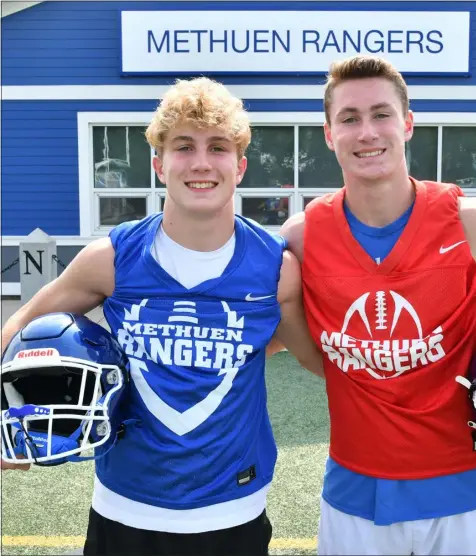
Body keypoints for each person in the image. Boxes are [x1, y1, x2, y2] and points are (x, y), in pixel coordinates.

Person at [1, 77, 323, 556]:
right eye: (182, 146)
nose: (200, 162)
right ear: (159, 163)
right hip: (125, 506)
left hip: (233, 508)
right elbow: (20, 326)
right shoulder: (111, 257)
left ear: (239, 165)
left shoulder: (276, 267)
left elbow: (311, 357)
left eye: (217, 147)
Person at [279, 55, 476, 556]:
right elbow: (301, 350)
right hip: (354, 491)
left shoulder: (472, 223)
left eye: (381, 114)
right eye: (349, 119)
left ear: (408, 123)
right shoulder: (302, 238)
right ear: (329, 133)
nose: (367, 132)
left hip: (464, 488)